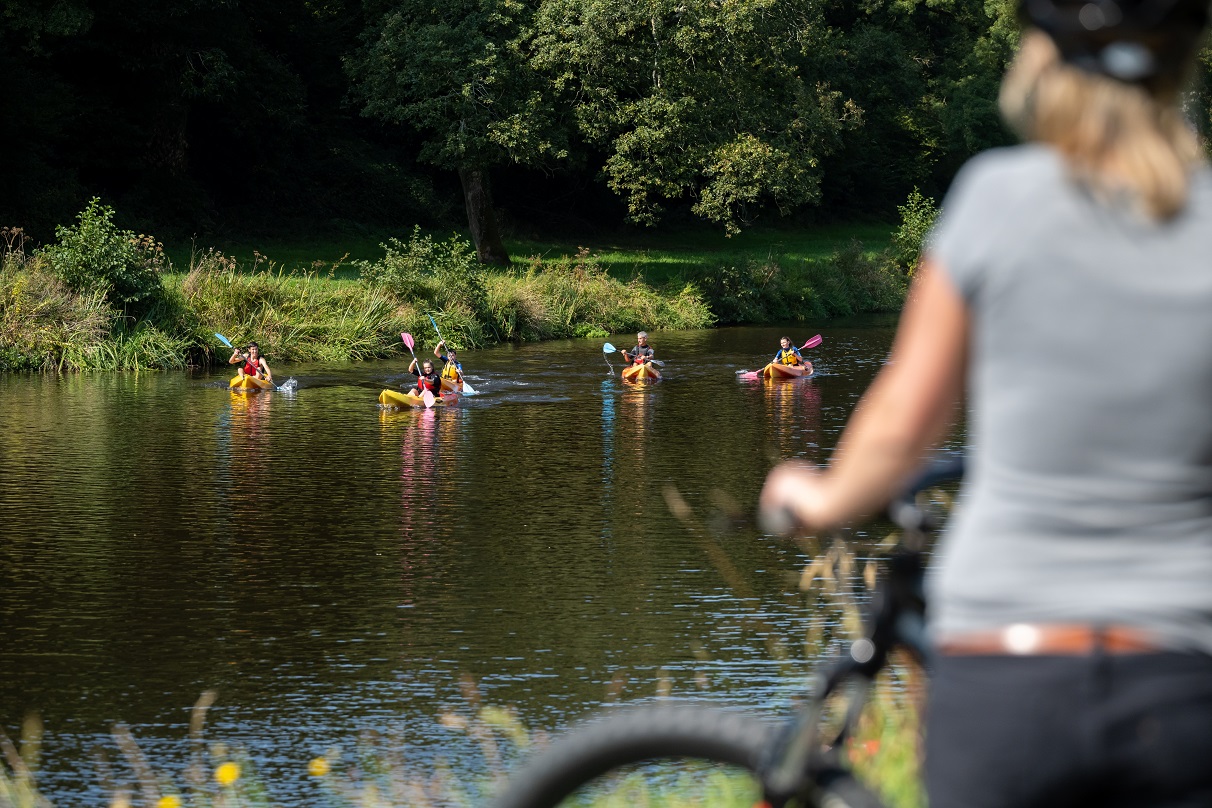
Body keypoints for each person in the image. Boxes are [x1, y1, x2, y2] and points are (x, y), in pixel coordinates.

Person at [760, 1, 1212, 805]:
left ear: (1044, 59)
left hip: (1010, 670)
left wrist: (820, 496)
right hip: (1186, 681)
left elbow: (903, 418)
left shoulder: (995, 199)